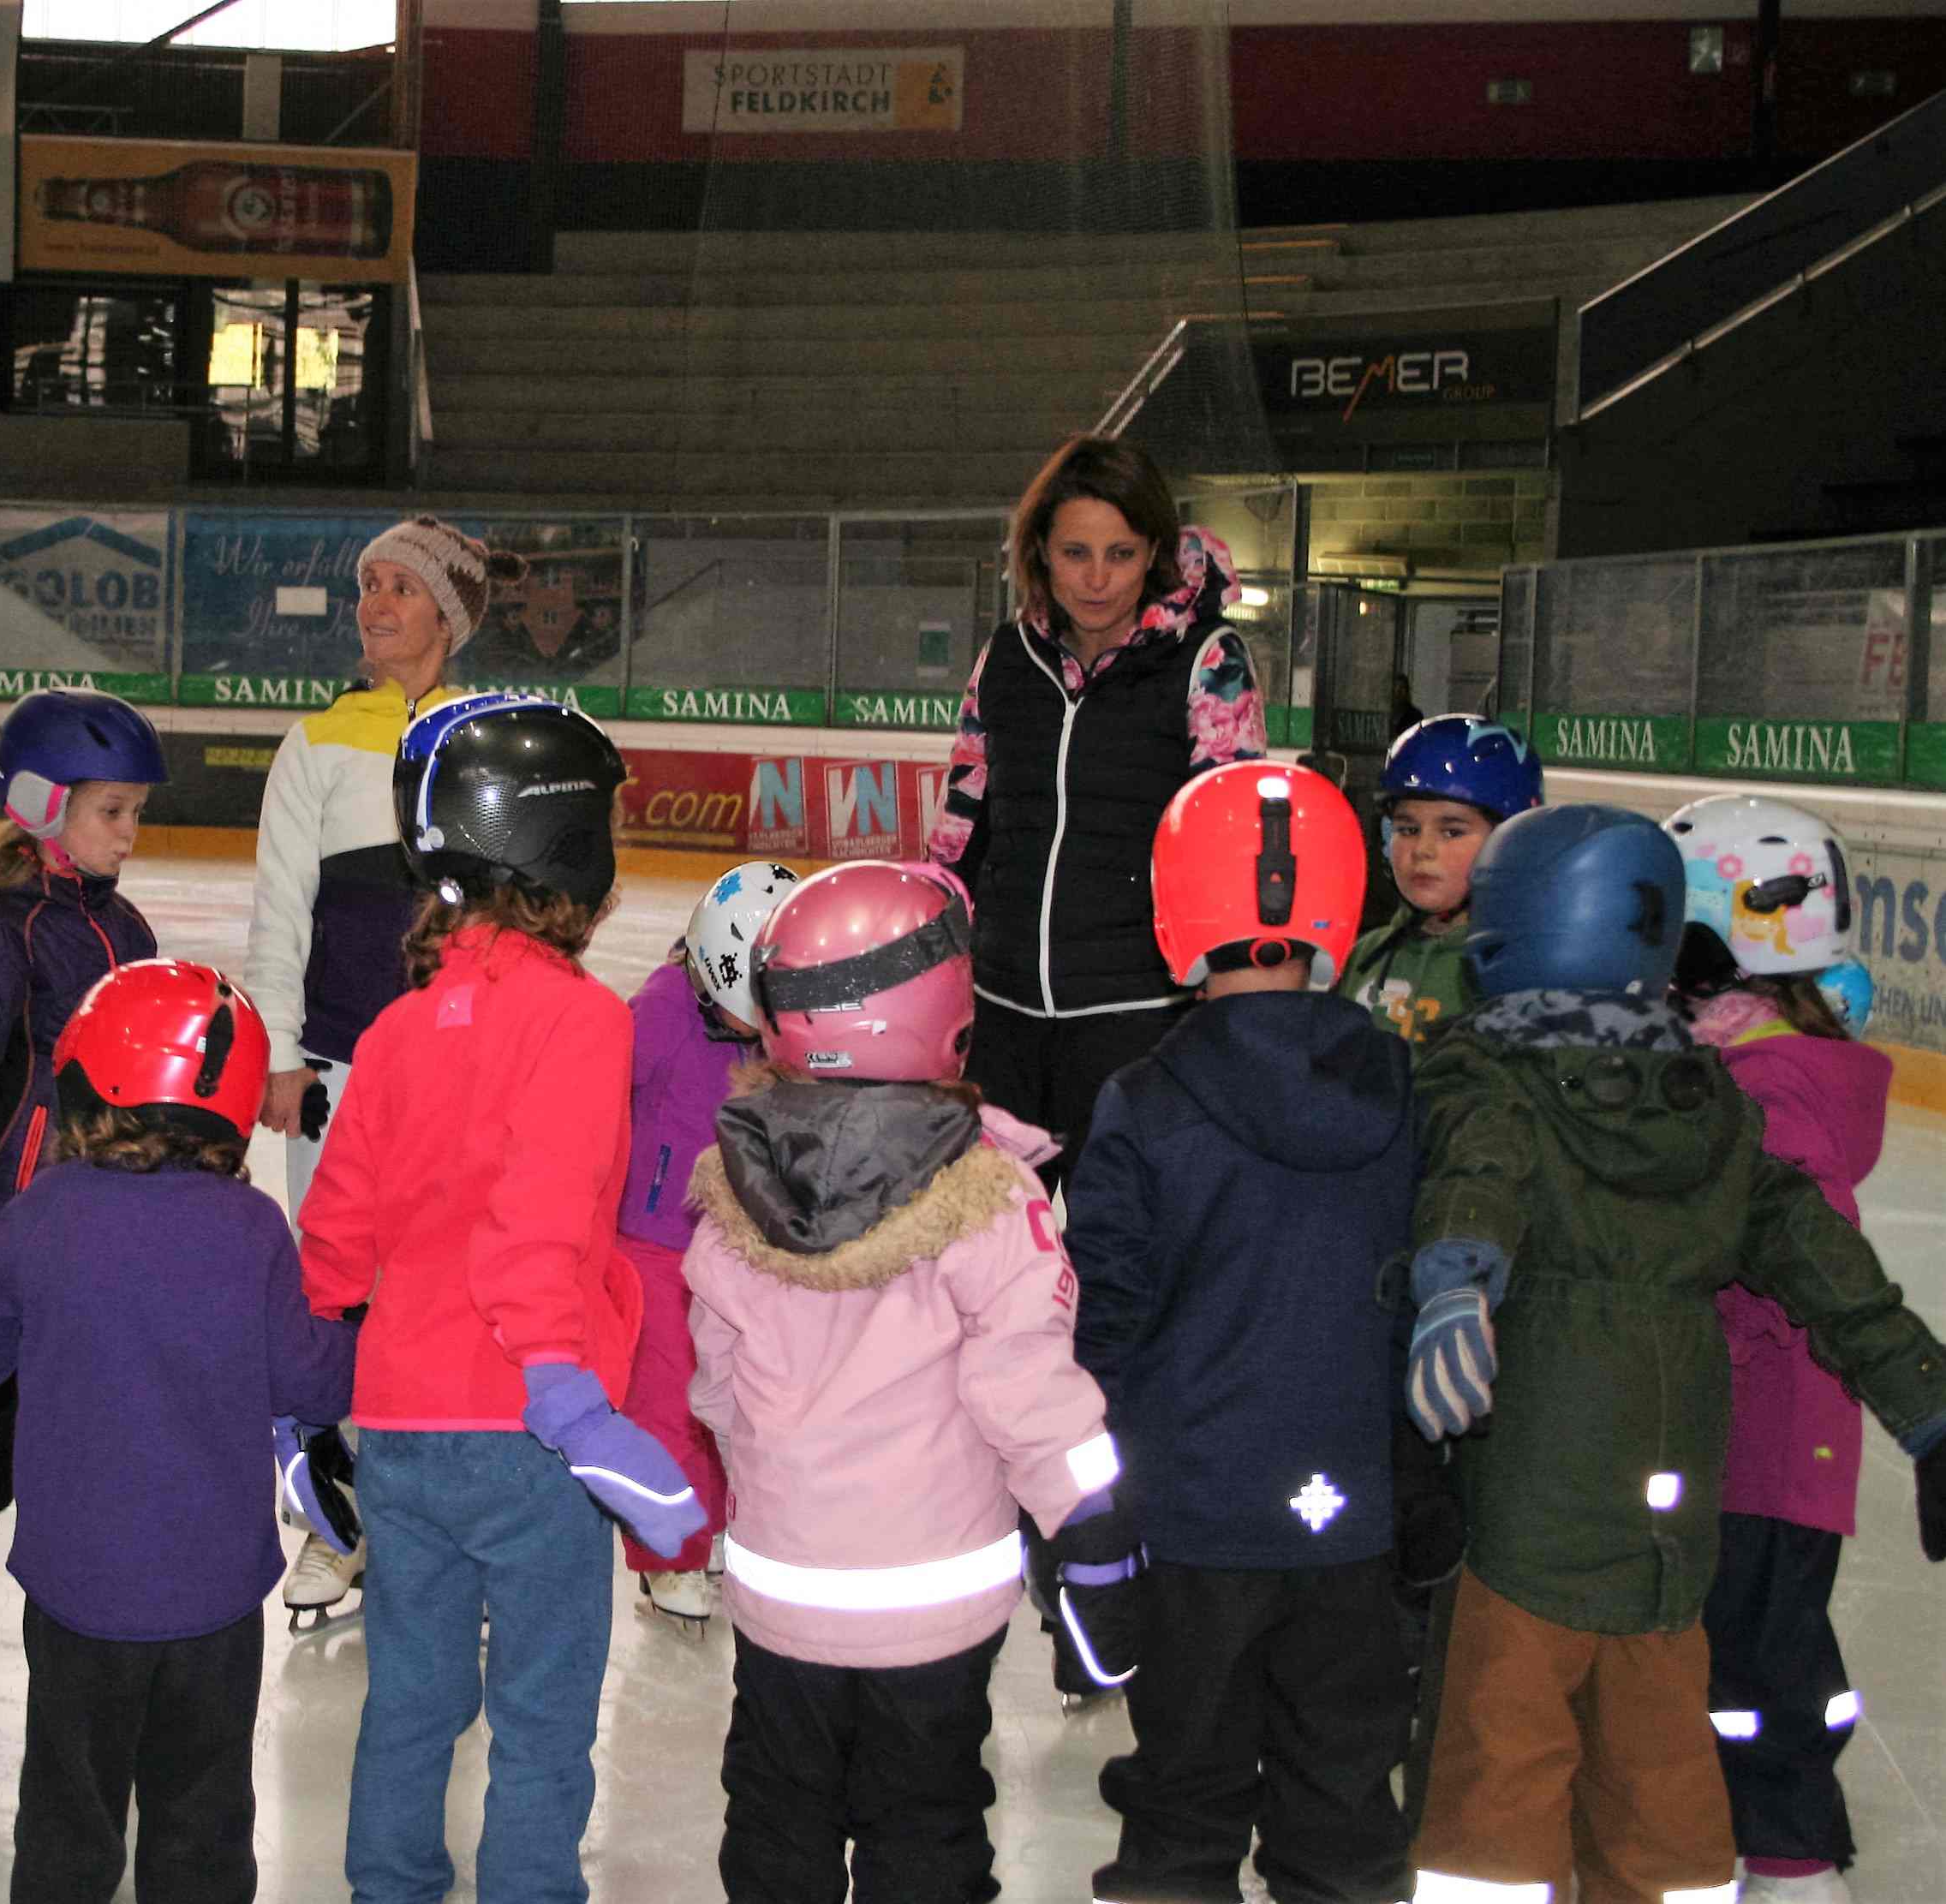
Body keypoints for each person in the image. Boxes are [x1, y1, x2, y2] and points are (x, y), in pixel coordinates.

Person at [1400, 803, 1946, 1904]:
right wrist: (1925, 1400)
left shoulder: (1489, 1073)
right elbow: (1822, 1261)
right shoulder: (1713, 1102)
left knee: (1501, 1758)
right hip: (1675, 1504)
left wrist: (1455, 1281)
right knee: (1659, 1762)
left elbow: (1480, 1169)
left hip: (1533, 1492)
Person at [299, 694, 704, 1904]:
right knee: (539, 1713)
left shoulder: (395, 1029)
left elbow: (335, 1238)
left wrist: (305, 1391)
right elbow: (537, 1225)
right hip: (531, 1428)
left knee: (410, 1698)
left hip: (401, 1428)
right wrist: (572, 1404)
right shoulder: (582, 1021)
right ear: (568, 847)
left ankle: (389, 1887)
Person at [682, 858, 1137, 1904]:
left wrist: (772, 1481)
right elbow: (1031, 1390)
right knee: (926, 1826)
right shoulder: (992, 1198)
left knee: (778, 1816)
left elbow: (716, 1388)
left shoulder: (734, 1190)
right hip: (935, 1606)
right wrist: (1094, 1526)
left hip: (785, 1591)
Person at [0, 960, 359, 1904]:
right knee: (203, 1824)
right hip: (215, 1603)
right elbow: (306, 1374)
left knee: (71, 1817)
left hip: (79, 1595)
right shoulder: (253, 1227)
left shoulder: (43, 1215)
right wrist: (372, 1343)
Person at [1071, 762, 1437, 1904]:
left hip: (1197, 1516)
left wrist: (1085, 1503)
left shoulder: (1144, 1095)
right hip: (1353, 1512)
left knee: (1184, 1787)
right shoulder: (1402, 1081)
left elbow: (1103, 1320)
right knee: (1343, 1788)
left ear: (1175, 905)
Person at [242, 514, 505, 1626]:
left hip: (462, 1081)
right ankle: (336, 1521)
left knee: (448, 1299)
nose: (375, 604)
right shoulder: (317, 741)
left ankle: (443, 1530)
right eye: (369, 585)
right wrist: (282, 1053)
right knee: (336, 1296)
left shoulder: (489, 739)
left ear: (448, 611)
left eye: (400, 586)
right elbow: (280, 910)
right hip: (339, 1072)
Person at [0, 689, 163, 1689]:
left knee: (96, 1407)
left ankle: (95, 1590)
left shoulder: (128, 928)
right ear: (47, 806)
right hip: (14, 1214)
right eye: (113, 812)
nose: (129, 834)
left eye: (137, 813)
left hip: (114, 1215)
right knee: (2, 1402)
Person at [926, 435, 1266, 1187]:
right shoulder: (1006, 657)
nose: (1097, 578)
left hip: (1138, 1017)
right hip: (1001, 1014)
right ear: (1040, 553)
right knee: (981, 1238)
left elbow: (1229, 842)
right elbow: (962, 825)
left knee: (1117, 1240)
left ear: (1154, 552)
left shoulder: (1208, 660)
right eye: (1075, 552)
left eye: (1120, 553)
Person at [1667, 796, 1890, 1904]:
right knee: (1765, 1648)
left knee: (1758, 1664)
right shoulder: (1770, 1066)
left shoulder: (1763, 1088)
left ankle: (1793, 1862)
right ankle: (1781, 1842)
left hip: (1768, 1442)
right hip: (1772, 1437)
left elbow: (1785, 1260)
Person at [612, 859, 800, 1634]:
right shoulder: (661, 1007)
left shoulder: (786, 1025)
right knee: (664, 1403)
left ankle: (711, 1524)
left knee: (728, 1393)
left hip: (735, 1244)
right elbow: (603, 1094)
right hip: (652, 1242)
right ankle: (668, 1552)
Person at [1338, 715, 1544, 1048]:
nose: (1423, 850)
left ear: (1511, 841)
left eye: (1452, 832)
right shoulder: (1366, 953)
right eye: (1408, 829)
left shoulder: (1521, 968)